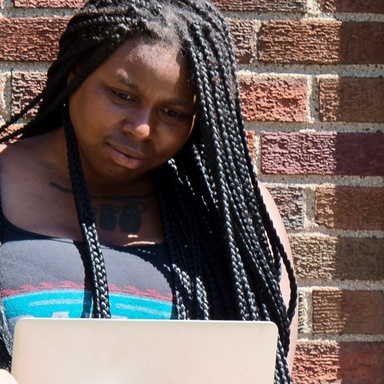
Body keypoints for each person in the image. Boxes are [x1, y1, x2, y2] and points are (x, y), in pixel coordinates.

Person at [0, 0, 298, 382]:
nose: (141, 128)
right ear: (76, 72)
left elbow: (270, 368)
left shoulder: (233, 217)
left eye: (173, 114)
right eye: (122, 95)